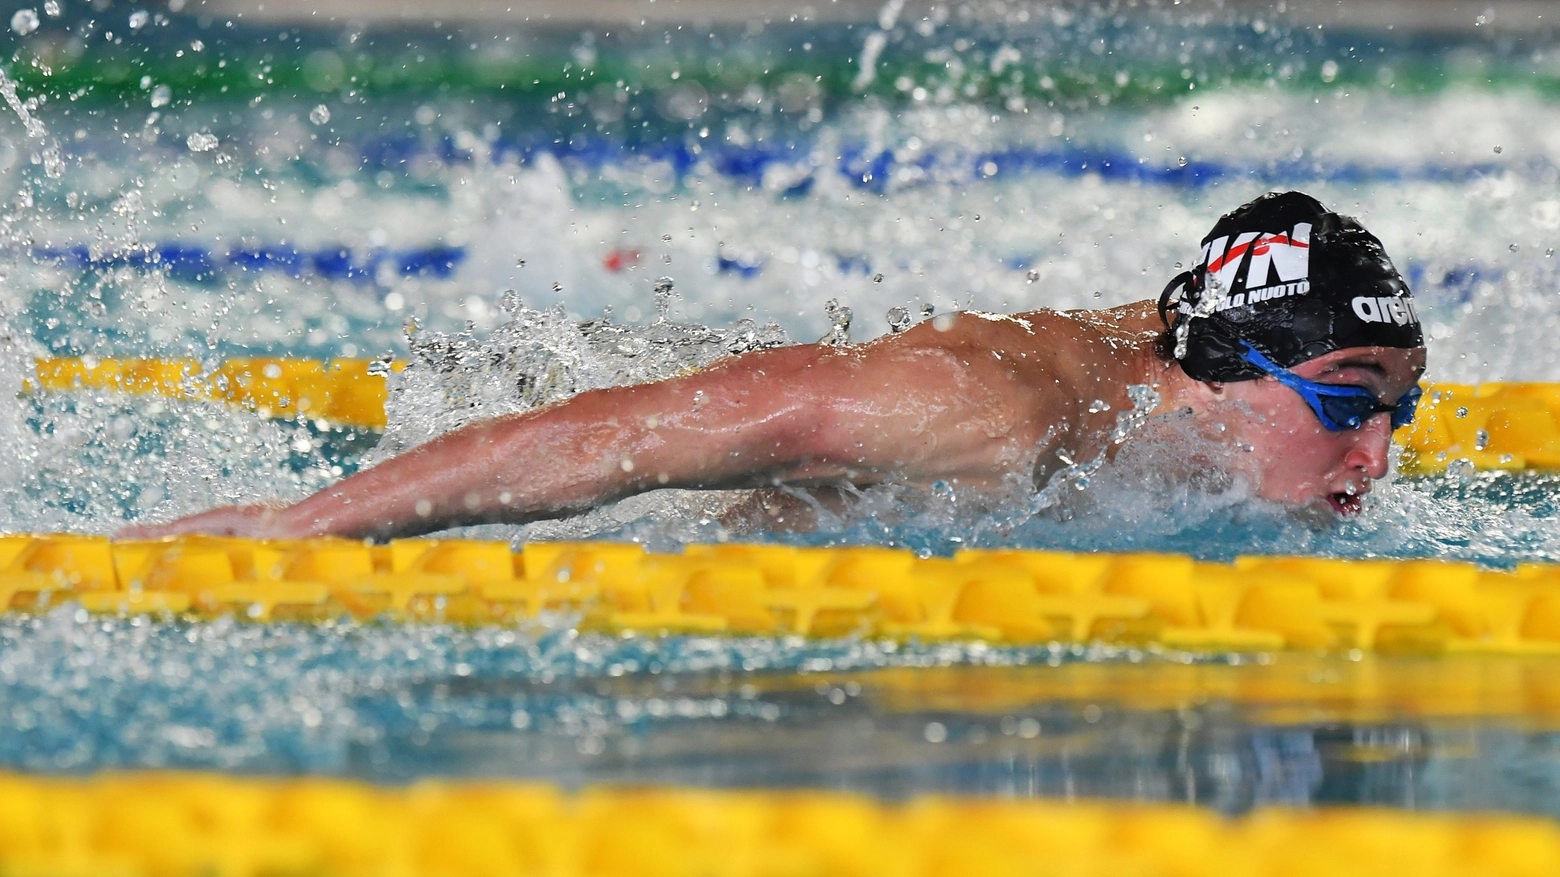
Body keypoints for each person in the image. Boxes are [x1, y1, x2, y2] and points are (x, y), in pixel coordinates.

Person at [121, 190, 1426, 541]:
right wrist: (308, 524)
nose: (1374, 459)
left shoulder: (1192, 396)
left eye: (1396, 417)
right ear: (1222, 367)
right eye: (1348, 410)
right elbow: (643, 438)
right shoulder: (997, 417)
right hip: (646, 441)